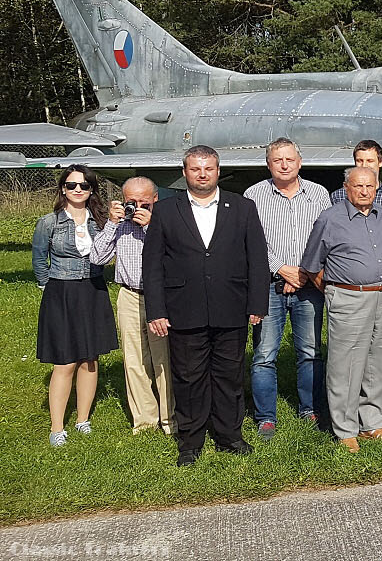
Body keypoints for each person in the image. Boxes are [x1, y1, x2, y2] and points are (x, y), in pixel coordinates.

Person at [145, 146, 269, 465]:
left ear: (218, 171)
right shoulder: (166, 211)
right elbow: (153, 264)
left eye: (209, 168)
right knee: (188, 378)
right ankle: (191, 441)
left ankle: (229, 435)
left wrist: (257, 303)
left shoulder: (242, 207)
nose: (202, 174)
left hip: (231, 307)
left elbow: (257, 259)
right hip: (183, 308)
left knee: (229, 375)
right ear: (185, 172)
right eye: (195, 169)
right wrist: (157, 310)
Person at [301, 167, 382, 453]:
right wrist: (335, 290)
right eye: (358, 186)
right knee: (345, 364)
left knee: (379, 360)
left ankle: (374, 422)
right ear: (346, 188)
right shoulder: (330, 218)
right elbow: (312, 264)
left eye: (370, 186)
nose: (364, 191)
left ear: (377, 187)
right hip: (349, 297)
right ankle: (345, 428)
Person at [243, 138, 331, 438]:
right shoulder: (253, 195)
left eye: (289, 159)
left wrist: (305, 272)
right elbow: (251, 242)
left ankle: (311, 409)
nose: (284, 165)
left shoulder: (318, 194)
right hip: (269, 285)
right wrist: (281, 268)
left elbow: (325, 238)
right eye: (277, 160)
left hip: (309, 284)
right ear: (269, 164)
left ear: (300, 162)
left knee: (310, 351)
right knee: (265, 354)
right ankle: (266, 417)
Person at [33, 166, 115, 447]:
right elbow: (38, 260)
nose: (77, 190)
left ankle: (83, 420)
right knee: (65, 360)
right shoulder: (48, 222)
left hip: (93, 290)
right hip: (61, 292)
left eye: (83, 186)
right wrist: (50, 288)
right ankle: (57, 428)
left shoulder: (100, 221)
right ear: (63, 189)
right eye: (71, 186)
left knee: (90, 358)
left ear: (91, 190)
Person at [91, 176, 174, 435]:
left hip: (161, 297)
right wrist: (112, 224)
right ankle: (145, 420)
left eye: (144, 203)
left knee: (165, 359)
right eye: (131, 202)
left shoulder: (167, 221)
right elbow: (97, 257)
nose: (136, 208)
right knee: (134, 360)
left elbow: (178, 255)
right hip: (129, 293)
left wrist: (151, 226)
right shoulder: (119, 225)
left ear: (156, 200)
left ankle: (171, 418)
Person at [331, 140, 382, 228]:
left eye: (370, 161)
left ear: (380, 162)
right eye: (360, 161)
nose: (364, 165)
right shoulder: (339, 196)